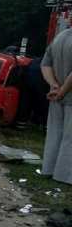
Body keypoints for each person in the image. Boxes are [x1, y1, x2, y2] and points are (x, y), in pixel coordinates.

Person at [41, 27, 72, 185]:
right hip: (68, 95)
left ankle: (48, 169)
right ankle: (64, 176)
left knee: (54, 132)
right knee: (69, 137)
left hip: (56, 94)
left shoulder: (60, 37)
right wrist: (63, 91)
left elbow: (45, 64)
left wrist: (54, 86)